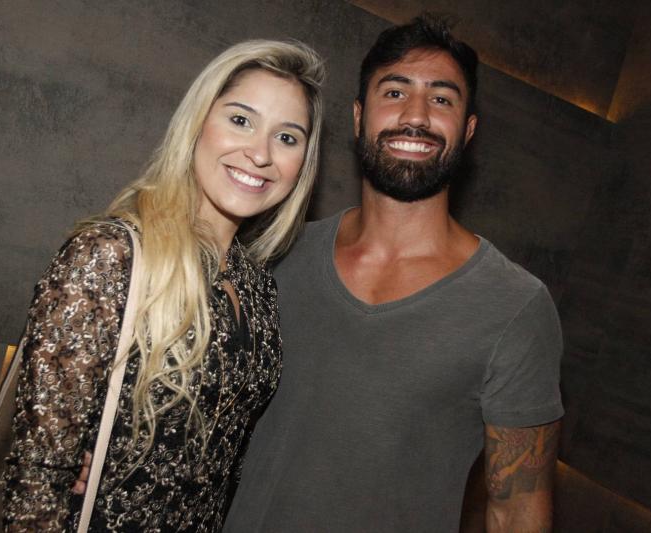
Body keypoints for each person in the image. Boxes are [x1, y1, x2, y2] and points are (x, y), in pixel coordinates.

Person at [223, 15, 563, 533]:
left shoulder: (515, 306)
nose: (417, 116)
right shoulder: (277, 253)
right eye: (395, 92)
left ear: (468, 130)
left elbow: (517, 512)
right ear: (359, 116)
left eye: (442, 99)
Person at [1, 39, 324, 532]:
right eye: (241, 120)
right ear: (198, 122)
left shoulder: (257, 286)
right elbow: (37, 482)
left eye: (287, 137)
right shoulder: (111, 256)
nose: (260, 153)